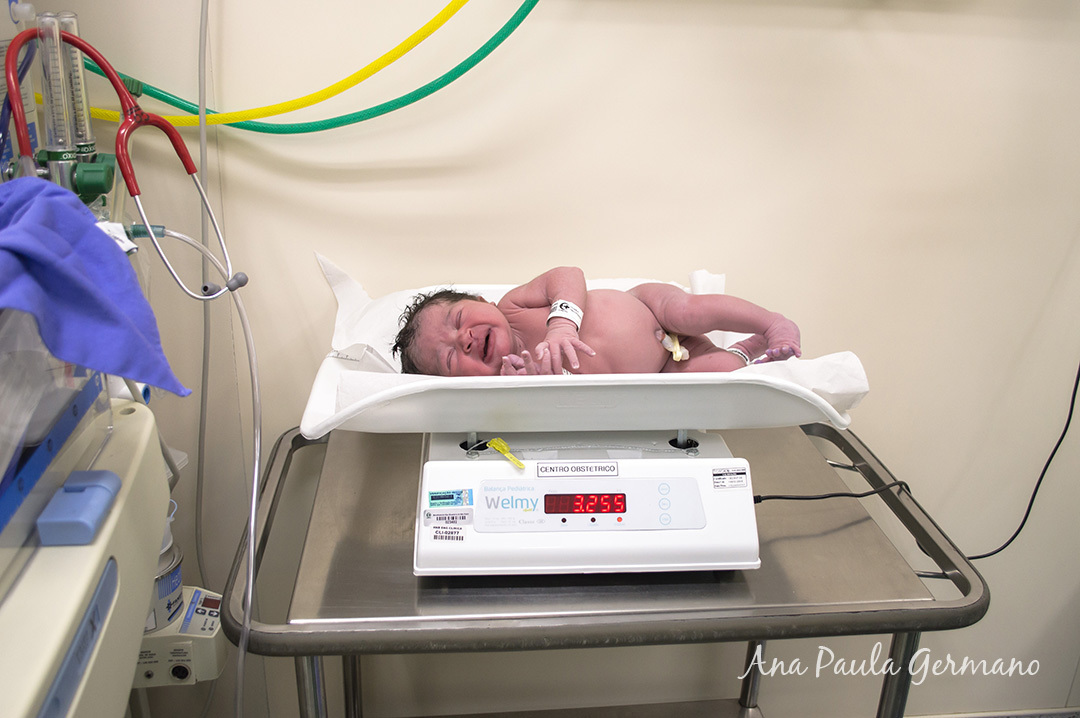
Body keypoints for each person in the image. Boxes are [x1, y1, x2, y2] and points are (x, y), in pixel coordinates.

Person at [391, 266, 800, 377]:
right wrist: (535, 382)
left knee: (688, 312)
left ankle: (771, 324)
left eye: (459, 318)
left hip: (649, 307)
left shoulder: (513, 305)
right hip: (665, 365)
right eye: (449, 359)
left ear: (482, 301)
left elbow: (567, 274)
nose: (462, 339)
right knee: (720, 371)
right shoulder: (511, 380)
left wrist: (561, 324)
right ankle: (745, 350)